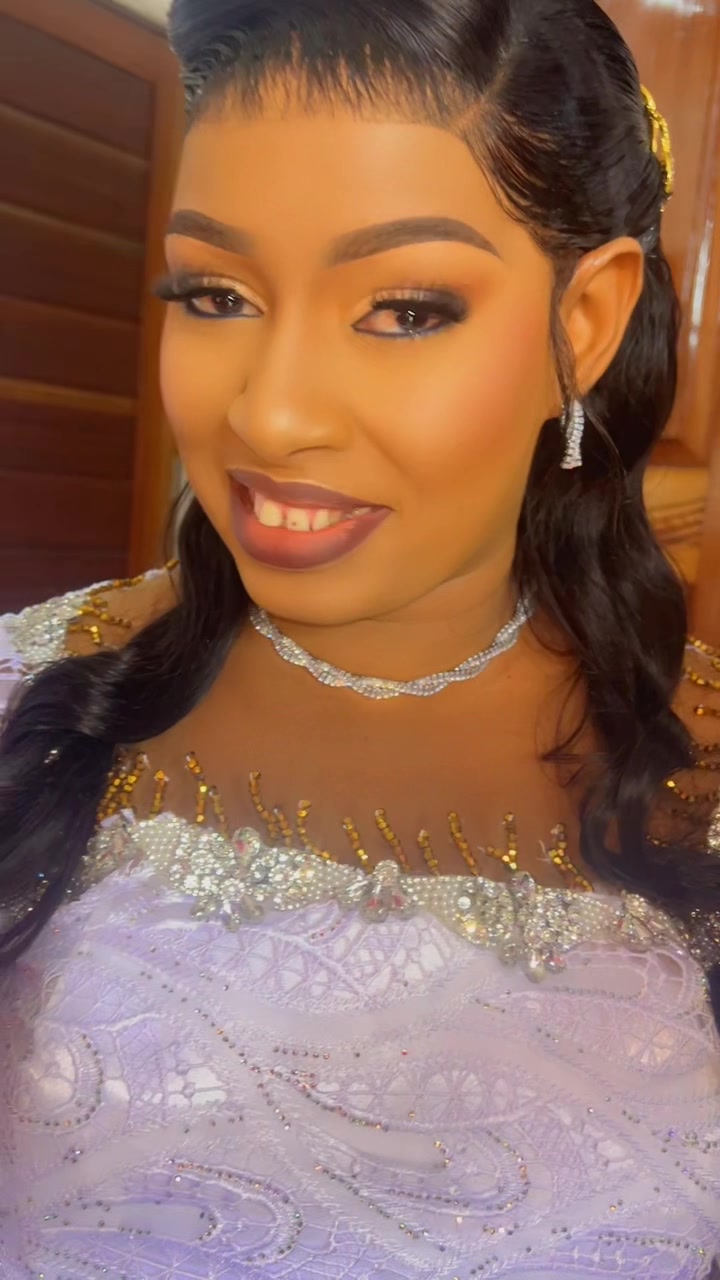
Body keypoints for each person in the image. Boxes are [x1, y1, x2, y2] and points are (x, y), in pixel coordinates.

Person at [1, 0, 719, 1275]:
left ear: (586, 323)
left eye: (404, 308)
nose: (270, 415)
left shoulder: (701, 763)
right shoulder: (29, 691)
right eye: (214, 292)